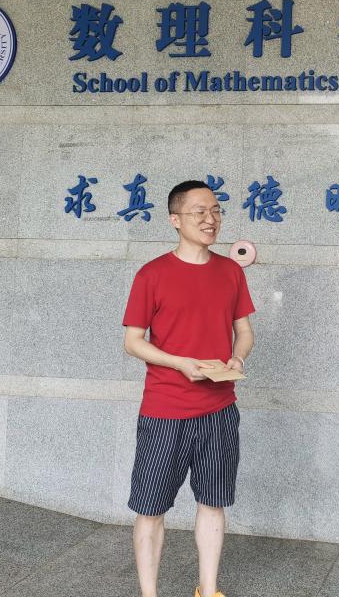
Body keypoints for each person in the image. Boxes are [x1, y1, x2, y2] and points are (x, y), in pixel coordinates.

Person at [122, 180, 256, 597]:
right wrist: (179, 362)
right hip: (165, 410)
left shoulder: (230, 272)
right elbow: (133, 341)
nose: (210, 219)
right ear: (175, 220)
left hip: (220, 409)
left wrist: (237, 359)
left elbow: (244, 332)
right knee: (150, 508)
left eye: (215, 210)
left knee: (213, 502)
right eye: (199, 211)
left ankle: (208, 589)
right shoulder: (152, 274)